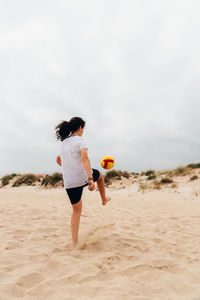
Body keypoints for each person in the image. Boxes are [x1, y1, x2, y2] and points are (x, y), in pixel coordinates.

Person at [55, 117, 111, 248]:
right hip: (82, 176)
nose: (83, 131)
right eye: (83, 129)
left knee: (76, 211)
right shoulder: (80, 140)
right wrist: (91, 179)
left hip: (69, 181)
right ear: (80, 128)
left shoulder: (63, 143)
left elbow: (58, 160)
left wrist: (69, 168)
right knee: (100, 176)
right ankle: (104, 199)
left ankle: (74, 243)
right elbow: (85, 158)